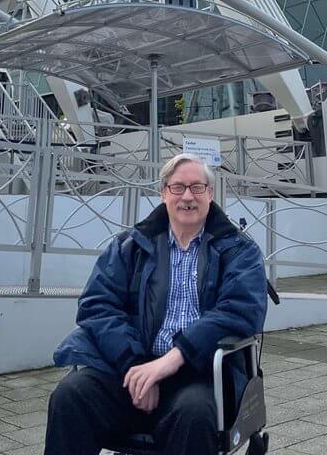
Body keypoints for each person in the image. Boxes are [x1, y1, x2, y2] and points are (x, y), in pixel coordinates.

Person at [44, 153, 268, 455]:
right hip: (133, 364)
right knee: (72, 395)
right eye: (178, 187)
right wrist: (136, 366)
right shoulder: (131, 245)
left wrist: (173, 359)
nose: (187, 196)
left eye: (197, 187)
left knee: (194, 415)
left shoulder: (238, 249)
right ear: (163, 193)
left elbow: (241, 311)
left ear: (210, 194)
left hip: (197, 373)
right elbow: (98, 305)